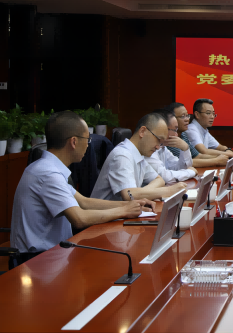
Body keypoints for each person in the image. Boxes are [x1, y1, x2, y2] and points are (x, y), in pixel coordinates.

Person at [10, 111, 155, 264]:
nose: (88, 145)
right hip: (36, 261)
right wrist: (124, 211)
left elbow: (84, 202)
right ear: (73, 142)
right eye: (87, 139)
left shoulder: (49, 168)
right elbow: (79, 219)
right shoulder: (47, 173)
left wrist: (130, 205)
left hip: (54, 255)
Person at [91, 112, 187, 201]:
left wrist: (141, 194)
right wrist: (169, 191)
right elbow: (129, 195)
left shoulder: (139, 154)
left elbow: (159, 180)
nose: (158, 147)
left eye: (161, 143)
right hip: (103, 214)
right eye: (158, 139)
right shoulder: (122, 155)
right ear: (142, 131)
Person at [164, 102, 230, 168]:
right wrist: (216, 160)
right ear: (171, 119)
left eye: (187, 115)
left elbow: (197, 156)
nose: (187, 119)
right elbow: (185, 163)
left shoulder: (183, 134)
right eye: (182, 116)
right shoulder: (169, 139)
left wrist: (223, 157)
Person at [143, 110, 198, 184]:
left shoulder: (163, 147)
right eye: (174, 130)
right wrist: (190, 172)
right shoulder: (148, 148)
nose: (176, 135)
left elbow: (178, 168)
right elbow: (165, 177)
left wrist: (185, 149)